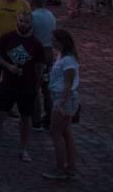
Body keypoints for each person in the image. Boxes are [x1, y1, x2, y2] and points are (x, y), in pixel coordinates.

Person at [0, 11, 45, 163]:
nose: (22, 24)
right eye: (20, 21)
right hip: (8, 84)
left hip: (27, 86)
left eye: (25, 22)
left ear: (31, 23)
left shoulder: (36, 44)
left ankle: (23, 148)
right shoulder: (8, 38)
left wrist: (36, 86)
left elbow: (39, 67)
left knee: (25, 119)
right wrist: (8, 66)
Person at [42, 29, 80, 181]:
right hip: (62, 98)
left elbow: (68, 84)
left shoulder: (68, 61)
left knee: (55, 132)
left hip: (63, 99)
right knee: (65, 133)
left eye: (54, 40)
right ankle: (70, 167)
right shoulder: (61, 56)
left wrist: (60, 103)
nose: (52, 42)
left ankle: (60, 169)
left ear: (61, 42)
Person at [28, 0, 56, 130]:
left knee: (34, 87)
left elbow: (29, 35)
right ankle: (50, 117)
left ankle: (36, 119)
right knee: (47, 88)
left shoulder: (33, 17)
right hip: (49, 54)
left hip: (37, 56)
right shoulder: (51, 16)